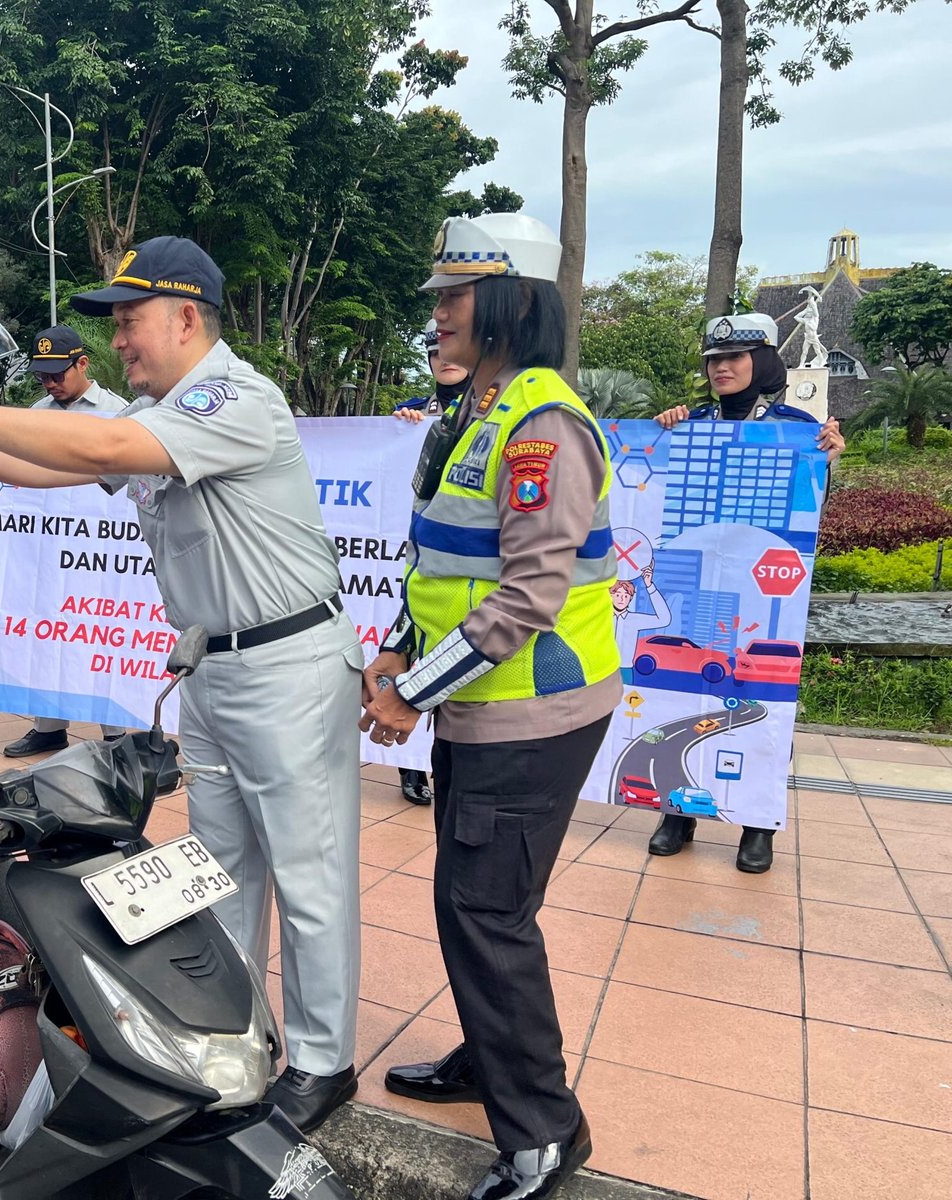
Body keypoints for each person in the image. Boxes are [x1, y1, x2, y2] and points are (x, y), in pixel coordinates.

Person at [0, 237, 364, 1133]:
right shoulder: (166, 414)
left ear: (185, 317)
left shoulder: (230, 399)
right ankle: (235, 1039)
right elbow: (55, 463)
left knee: (309, 875)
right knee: (223, 871)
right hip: (212, 668)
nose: (119, 341)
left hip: (286, 667)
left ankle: (325, 1063)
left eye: (128, 321)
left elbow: (105, 440)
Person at [361, 214, 618, 1200]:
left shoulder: (542, 426)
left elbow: (526, 598)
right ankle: (488, 1056)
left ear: (513, 303)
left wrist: (404, 700)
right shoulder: (469, 411)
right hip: (481, 705)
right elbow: (440, 563)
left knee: (487, 907)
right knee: (466, 899)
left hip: (531, 712)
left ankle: (545, 1130)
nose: (435, 317)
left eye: (453, 298)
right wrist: (393, 648)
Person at [646, 312, 845, 874]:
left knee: (767, 708)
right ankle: (676, 813)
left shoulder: (796, 426)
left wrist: (829, 458)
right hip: (695, 581)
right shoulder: (690, 421)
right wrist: (663, 435)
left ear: (762, 363)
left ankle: (758, 825)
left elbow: (811, 508)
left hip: (765, 590)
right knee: (681, 698)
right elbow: (653, 494)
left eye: (734, 357)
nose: (721, 368)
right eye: (713, 359)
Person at [3, 323, 131, 758]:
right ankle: (49, 726)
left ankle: (114, 733)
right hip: (47, 548)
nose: (50, 383)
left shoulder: (118, 414)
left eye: (58, 373)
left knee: (99, 631)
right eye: (43, 375)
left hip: (100, 550)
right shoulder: (36, 414)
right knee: (47, 630)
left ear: (83, 364)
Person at [386, 319, 472, 807]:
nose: (446, 358)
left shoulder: (490, 411)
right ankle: (409, 765)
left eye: (453, 348)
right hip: (414, 555)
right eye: (436, 352)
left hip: (459, 560)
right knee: (408, 647)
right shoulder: (412, 414)